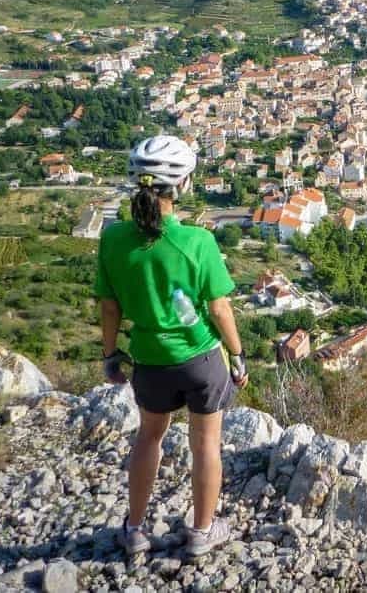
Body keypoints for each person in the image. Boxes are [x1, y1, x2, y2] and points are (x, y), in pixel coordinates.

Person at [96, 135, 249, 558]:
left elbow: (109, 307)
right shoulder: (197, 241)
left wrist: (110, 355)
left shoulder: (112, 239)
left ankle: (135, 529)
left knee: (149, 438)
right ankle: (202, 532)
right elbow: (219, 309)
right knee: (205, 445)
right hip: (201, 359)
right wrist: (237, 355)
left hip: (148, 359)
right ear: (180, 185)